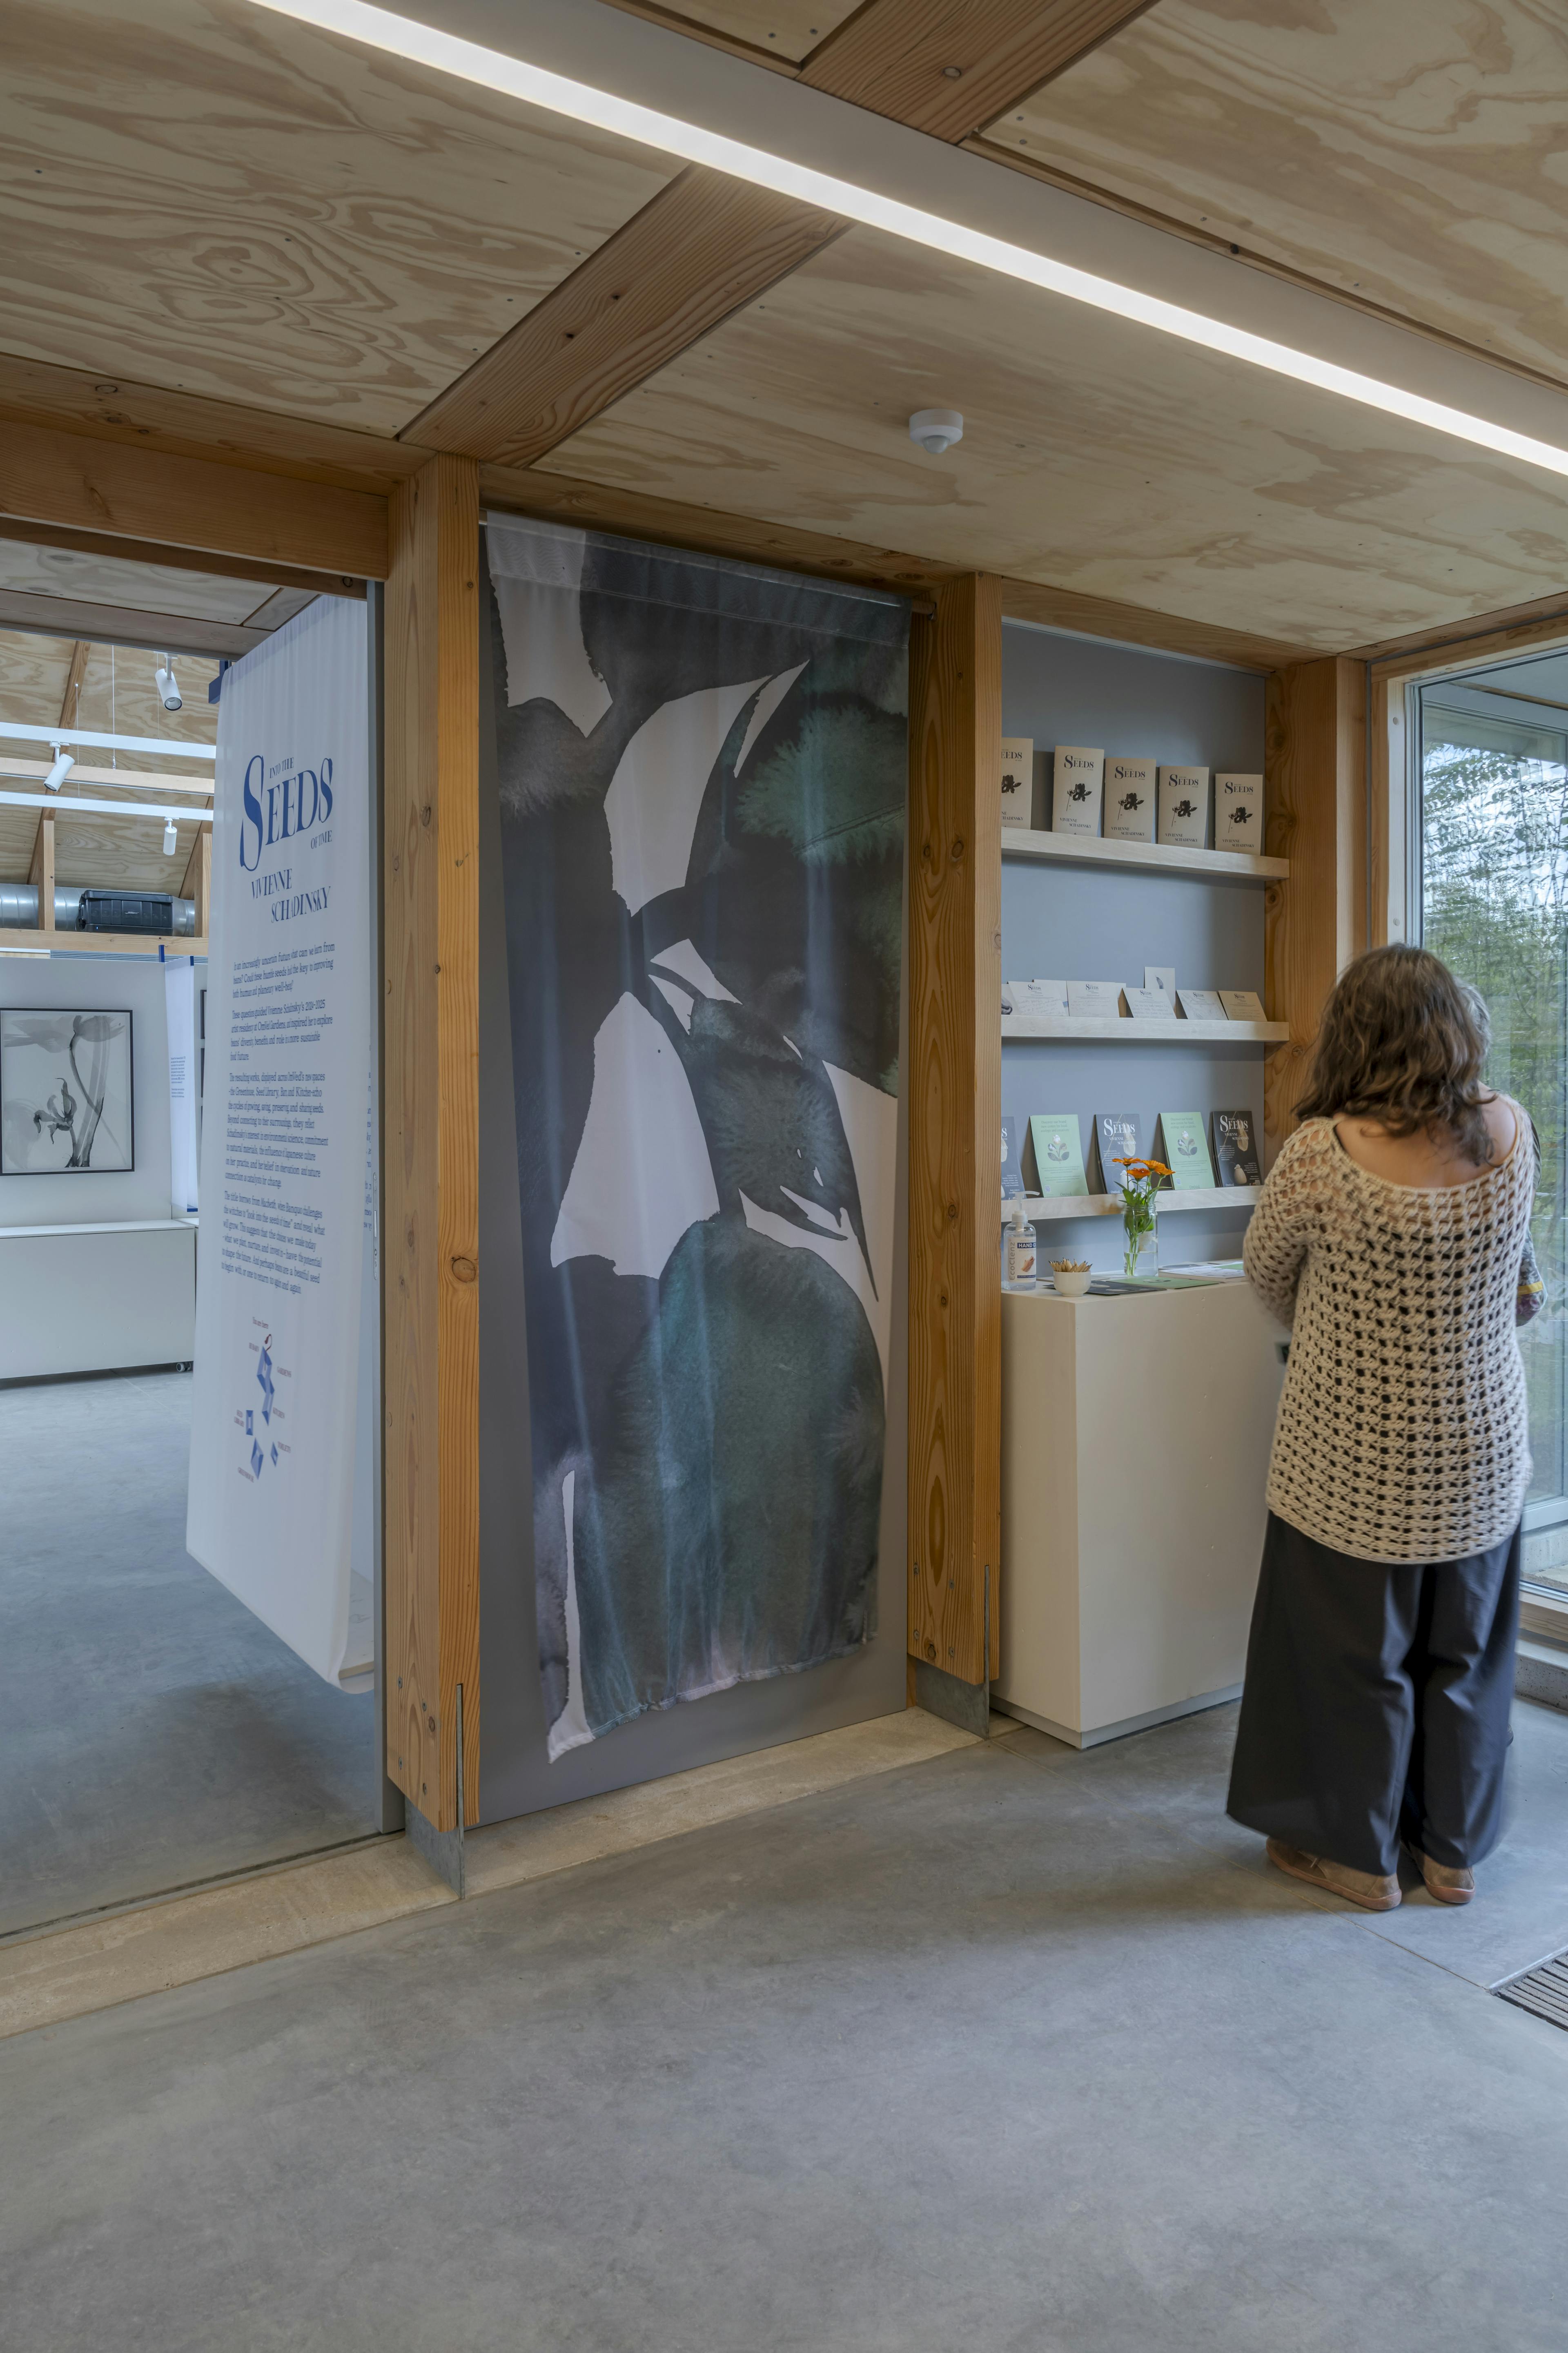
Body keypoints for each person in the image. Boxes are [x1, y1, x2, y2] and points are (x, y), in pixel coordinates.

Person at [1227, 943, 1541, 1912]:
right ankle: (1451, 1854)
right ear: (1459, 1024)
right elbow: (1521, 1284)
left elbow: (1267, 1278)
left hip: (1352, 1457)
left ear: (1353, 1037)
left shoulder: (1322, 1156)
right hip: (1484, 1449)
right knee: (1467, 1657)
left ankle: (1358, 1859)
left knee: (1350, 1659)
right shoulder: (1510, 1132)